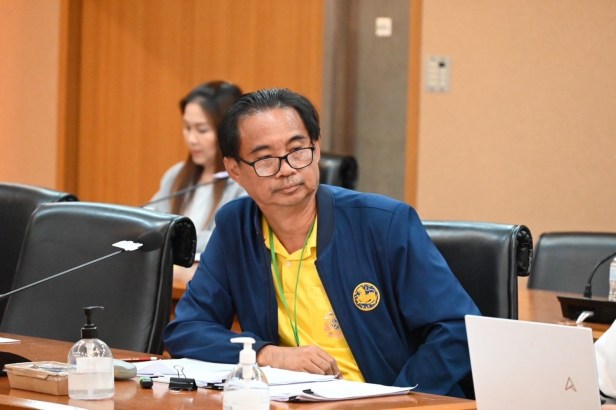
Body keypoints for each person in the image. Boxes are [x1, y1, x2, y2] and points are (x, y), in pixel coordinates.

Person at [164, 88, 480, 397]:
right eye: (265, 159)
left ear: (316, 148)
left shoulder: (384, 223)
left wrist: (396, 400)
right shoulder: (236, 227)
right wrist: (268, 354)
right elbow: (187, 330)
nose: (287, 169)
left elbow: (457, 328)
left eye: (297, 151)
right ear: (234, 170)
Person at [149, 81, 246, 261]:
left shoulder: (243, 183)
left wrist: (173, 237)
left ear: (227, 133)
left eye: (202, 130)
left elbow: (228, 239)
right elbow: (149, 222)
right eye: (187, 128)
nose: (192, 139)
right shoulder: (175, 175)